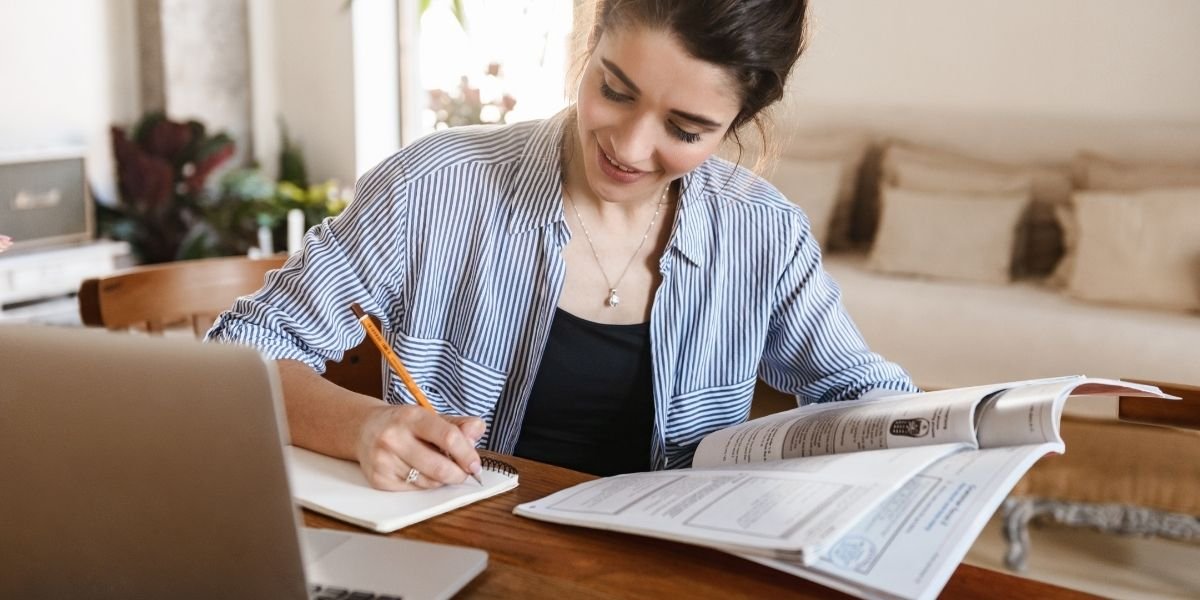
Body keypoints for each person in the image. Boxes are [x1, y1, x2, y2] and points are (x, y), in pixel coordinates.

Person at [207, 0, 916, 489]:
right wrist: (367, 428)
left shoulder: (763, 233)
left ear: (739, 122)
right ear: (592, 38)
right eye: (614, 89)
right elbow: (239, 356)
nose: (630, 148)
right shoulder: (434, 187)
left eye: (686, 129)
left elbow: (864, 393)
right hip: (467, 548)